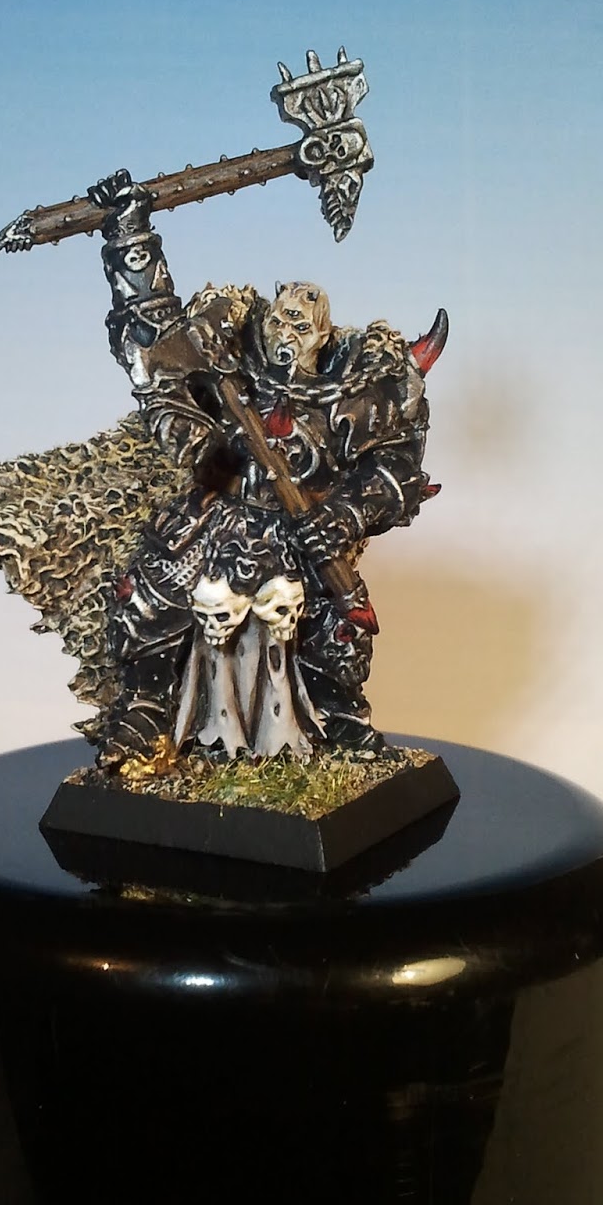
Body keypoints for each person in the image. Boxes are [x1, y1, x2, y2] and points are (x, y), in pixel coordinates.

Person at [90, 170, 443, 770]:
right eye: (279, 321)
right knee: (150, 590)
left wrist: (344, 516)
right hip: (219, 516)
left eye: (301, 327)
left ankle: (341, 720)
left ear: (323, 336)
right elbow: (158, 344)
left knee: (339, 623)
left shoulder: (353, 393)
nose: (286, 334)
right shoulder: (230, 359)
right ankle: (145, 709)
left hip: (304, 528)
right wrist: (131, 238)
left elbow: (394, 470)